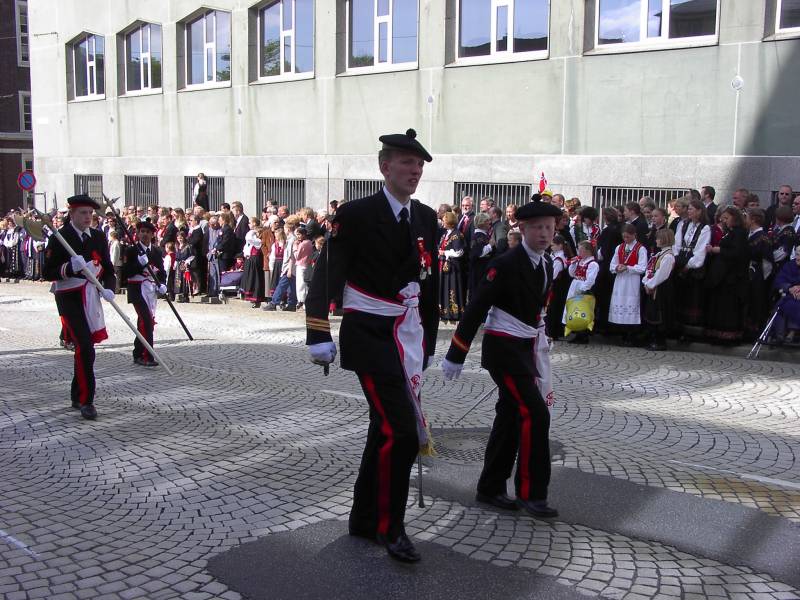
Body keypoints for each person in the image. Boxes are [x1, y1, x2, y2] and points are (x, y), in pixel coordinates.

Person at [305, 128, 439, 564]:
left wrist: (429, 342)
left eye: (418, 164)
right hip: (368, 332)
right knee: (400, 430)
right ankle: (389, 525)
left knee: (382, 428)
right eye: (405, 162)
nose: (414, 170)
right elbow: (328, 272)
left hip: (406, 334)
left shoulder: (425, 218)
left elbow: (427, 283)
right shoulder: (357, 214)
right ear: (384, 167)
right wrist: (318, 333)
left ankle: (364, 519)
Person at [440, 198, 563, 519]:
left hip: (524, 348)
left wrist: (542, 334)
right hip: (503, 350)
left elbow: (536, 308)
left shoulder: (547, 264)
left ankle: (491, 487)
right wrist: (456, 353)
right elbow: (477, 306)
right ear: (521, 229)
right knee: (535, 414)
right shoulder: (505, 264)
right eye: (537, 227)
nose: (544, 234)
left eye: (549, 228)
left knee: (509, 417)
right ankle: (531, 494)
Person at [43, 194, 117, 420]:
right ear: (72, 214)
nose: (88, 217)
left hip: (91, 294)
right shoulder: (60, 237)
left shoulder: (97, 236)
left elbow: (107, 266)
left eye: (90, 213)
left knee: (85, 347)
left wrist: (109, 287)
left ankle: (77, 394)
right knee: (85, 345)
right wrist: (67, 267)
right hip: (69, 296)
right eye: (83, 213)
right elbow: (47, 272)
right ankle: (87, 400)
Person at [123, 219, 167, 366]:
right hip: (137, 290)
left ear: (152, 234)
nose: (145, 235)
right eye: (142, 231)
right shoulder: (131, 250)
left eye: (148, 232)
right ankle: (147, 356)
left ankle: (137, 352)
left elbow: (161, 271)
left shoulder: (156, 251)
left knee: (145, 322)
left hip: (150, 290)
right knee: (146, 320)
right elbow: (125, 273)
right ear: (137, 233)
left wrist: (163, 284)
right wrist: (138, 265)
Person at [704, 207, 749, 343]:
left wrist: (718, 249)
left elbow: (737, 253)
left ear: (734, 218)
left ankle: (728, 335)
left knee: (729, 308)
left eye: (726, 218)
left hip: (732, 277)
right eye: (722, 218)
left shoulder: (739, 233)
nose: (723, 221)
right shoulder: (730, 232)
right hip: (722, 276)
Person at [672, 199, 711, 339]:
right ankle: (677, 329)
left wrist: (688, 266)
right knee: (679, 299)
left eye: (691, 209)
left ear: (699, 211)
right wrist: (677, 259)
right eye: (688, 209)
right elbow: (676, 244)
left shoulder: (705, 228)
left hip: (693, 269)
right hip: (680, 262)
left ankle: (690, 333)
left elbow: (700, 251)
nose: (689, 212)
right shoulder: (683, 225)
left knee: (692, 300)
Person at [608, 224, 648, 345]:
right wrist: (616, 267)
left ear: (634, 235)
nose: (626, 239)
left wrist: (628, 268)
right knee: (620, 304)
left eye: (628, 237)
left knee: (630, 304)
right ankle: (623, 333)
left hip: (632, 281)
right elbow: (611, 264)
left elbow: (642, 267)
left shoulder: (641, 248)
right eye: (624, 237)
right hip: (620, 280)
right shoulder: (619, 247)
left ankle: (631, 335)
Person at [642, 229, 676, 351]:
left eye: (658, 238)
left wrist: (650, 285)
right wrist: (646, 282)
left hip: (662, 288)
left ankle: (660, 341)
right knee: (652, 313)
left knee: (660, 313)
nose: (656, 240)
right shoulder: (659, 254)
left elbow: (662, 275)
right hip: (654, 286)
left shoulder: (668, 257)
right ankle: (653, 338)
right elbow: (650, 269)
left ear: (664, 239)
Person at [744, 208, 773, 340]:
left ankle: (754, 331)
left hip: (757, 275)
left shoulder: (763, 237)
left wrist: (761, 277)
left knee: (756, 301)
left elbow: (767, 261)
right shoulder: (748, 234)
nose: (745, 220)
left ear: (754, 219)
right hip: (747, 273)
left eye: (747, 217)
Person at [594, 207, 622, 334]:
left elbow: (605, 250)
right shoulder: (619, 228)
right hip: (614, 266)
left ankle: (603, 325)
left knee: (604, 297)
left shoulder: (609, 230)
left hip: (606, 267)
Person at [564, 241, 599, 344]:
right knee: (574, 309)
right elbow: (571, 274)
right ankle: (577, 332)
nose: (578, 252)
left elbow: (590, 280)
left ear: (587, 251)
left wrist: (583, 289)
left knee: (582, 310)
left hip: (583, 288)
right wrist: (573, 264)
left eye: (580, 250)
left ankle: (583, 335)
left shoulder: (592, 264)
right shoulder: (580, 261)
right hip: (575, 285)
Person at [438, 211, 465, 322]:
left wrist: (444, 253)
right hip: (444, 266)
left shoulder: (457, 234)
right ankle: (444, 311)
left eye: (444, 221)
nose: (442, 223)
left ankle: (453, 313)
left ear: (449, 221)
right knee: (444, 288)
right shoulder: (445, 234)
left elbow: (459, 252)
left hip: (453, 268)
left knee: (452, 289)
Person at [771, 243, 800, 343]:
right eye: (797, 254)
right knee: (784, 304)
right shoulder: (789, 265)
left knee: (795, 304)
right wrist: (790, 288)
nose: (798, 257)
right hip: (789, 294)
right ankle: (779, 334)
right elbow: (779, 280)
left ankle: (792, 332)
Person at [545, 234, 571, 340]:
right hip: (560, 287)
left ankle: (553, 331)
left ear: (560, 246)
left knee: (554, 309)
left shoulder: (558, 259)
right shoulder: (558, 256)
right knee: (557, 308)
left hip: (556, 287)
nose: (551, 247)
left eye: (553, 245)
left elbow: (553, 275)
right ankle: (556, 330)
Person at [240, 218, 265, 308]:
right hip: (250, 257)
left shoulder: (253, 234)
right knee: (250, 278)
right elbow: (247, 245)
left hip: (255, 258)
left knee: (255, 278)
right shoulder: (252, 234)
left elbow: (256, 242)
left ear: (254, 223)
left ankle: (256, 298)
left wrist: (253, 232)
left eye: (250, 223)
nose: (248, 225)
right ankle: (251, 297)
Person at [468, 212, 493, 300]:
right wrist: (490, 245)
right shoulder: (478, 236)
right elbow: (479, 253)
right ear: (482, 223)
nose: (489, 223)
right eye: (487, 221)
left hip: (482, 269)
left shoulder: (482, 235)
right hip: (479, 270)